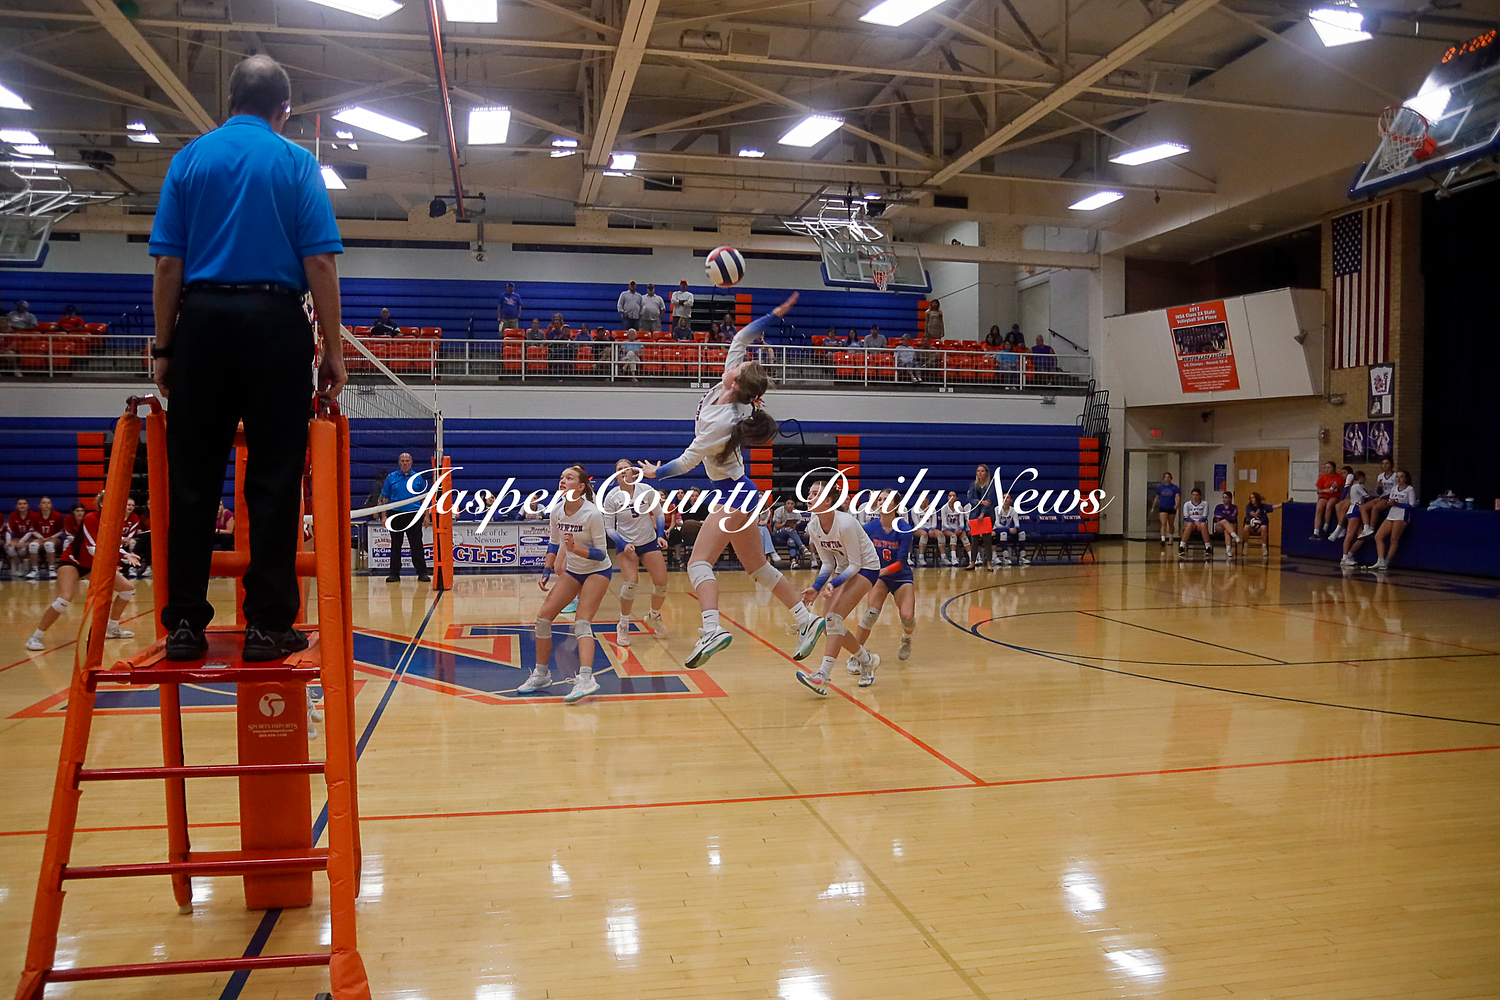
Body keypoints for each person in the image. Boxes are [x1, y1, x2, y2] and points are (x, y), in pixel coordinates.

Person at [149, 54, 346, 663]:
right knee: (275, 477)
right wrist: (333, 351)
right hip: (275, 323)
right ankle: (267, 625)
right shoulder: (297, 163)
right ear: (284, 110)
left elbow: (168, 264)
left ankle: (184, 624)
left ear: (229, 102)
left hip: (202, 321)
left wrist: (165, 346)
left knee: (192, 479)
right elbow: (320, 263)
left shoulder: (189, 160)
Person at [638, 292, 825, 670]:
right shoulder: (731, 388)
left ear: (736, 383)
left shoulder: (721, 423)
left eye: (741, 367)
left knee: (697, 563)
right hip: (742, 493)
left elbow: (687, 462)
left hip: (734, 494)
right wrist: (774, 313)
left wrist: (655, 474)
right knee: (758, 569)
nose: (738, 362)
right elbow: (741, 338)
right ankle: (807, 620)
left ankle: (712, 629)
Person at [517, 465, 612, 703]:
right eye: (561, 477)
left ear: (580, 487)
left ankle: (587, 678)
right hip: (574, 571)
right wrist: (547, 569)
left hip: (598, 570)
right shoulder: (557, 511)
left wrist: (575, 549)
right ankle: (541, 674)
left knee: (582, 622)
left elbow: (601, 553)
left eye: (569, 478)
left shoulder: (592, 513)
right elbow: (553, 542)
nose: (563, 480)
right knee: (543, 618)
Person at [795, 479, 883, 693]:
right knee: (829, 624)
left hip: (866, 568)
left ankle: (823, 676)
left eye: (815, 493)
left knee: (833, 619)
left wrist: (833, 583)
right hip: (845, 568)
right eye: (809, 493)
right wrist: (817, 587)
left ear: (828, 501)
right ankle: (867, 660)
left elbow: (856, 564)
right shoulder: (813, 525)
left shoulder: (846, 524)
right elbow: (827, 563)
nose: (809, 497)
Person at [25, 494, 138, 651]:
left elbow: (114, 546)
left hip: (93, 565)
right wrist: (121, 557)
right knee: (64, 599)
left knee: (128, 589)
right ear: (101, 504)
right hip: (73, 562)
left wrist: (125, 555)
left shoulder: (116, 522)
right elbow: (92, 548)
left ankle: (112, 628)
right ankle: (35, 637)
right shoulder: (91, 518)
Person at [602, 459, 669, 647]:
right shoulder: (611, 497)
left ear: (634, 472)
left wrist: (660, 535)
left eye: (627, 469)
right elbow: (609, 527)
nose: (624, 472)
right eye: (620, 470)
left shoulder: (646, 490)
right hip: (626, 544)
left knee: (661, 584)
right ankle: (623, 624)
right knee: (631, 584)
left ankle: (654, 616)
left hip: (648, 541)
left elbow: (659, 514)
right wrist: (623, 543)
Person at [847, 490, 918, 668]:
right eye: (879, 499)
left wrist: (880, 571)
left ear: (896, 506)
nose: (881, 502)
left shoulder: (904, 529)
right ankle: (856, 655)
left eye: (886, 500)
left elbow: (900, 562)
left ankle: (907, 637)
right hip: (880, 578)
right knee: (870, 614)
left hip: (900, 577)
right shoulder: (869, 528)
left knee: (907, 617)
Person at [380, 453, 430, 583]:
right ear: (399, 463)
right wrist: (384, 516)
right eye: (402, 460)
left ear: (411, 462)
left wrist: (427, 515)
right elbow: (384, 497)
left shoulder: (418, 477)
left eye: (407, 460)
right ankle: (394, 574)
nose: (405, 463)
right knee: (396, 545)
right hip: (395, 514)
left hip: (414, 514)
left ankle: (422, 573)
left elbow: (424, 498)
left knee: (417, 544)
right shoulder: (391, 477)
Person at [1372, 470, 1417, 572]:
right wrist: (1390, 502)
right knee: (1378, 536)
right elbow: (1390, 500)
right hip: (1392, 514)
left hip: (1402, 515)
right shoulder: (1394, 488)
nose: (1398, 479)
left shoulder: (1409, 489)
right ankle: (1380, 559)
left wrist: (1397, 504)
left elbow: (1412, 505)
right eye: (1397, 477)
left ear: (1406, 478)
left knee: (1394, 539)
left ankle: (1387, 561)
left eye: (1401, 477)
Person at [966, 464, 998, 570]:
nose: (980, 473)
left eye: (982, 471)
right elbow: (970, 499)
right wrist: (980, 502)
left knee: (987, 540)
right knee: (974, 541)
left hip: (987, 515)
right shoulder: (973, 485)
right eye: (978, 471)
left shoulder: (991, 485)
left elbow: (989, 502)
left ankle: (989, 563)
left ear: (986, 473)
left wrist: (982, 514)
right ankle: (972, 562)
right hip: (975, 514)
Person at [1358, 457, 1398, 538]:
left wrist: (1387, 497)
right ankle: (1366, 528)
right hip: (1382, 496)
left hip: (1391, 497)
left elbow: (1397, 490)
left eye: (1387, 463)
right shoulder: (1380, 476)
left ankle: (1372, 528)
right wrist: (1379, 487)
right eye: (1383, 464)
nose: (1385, 465)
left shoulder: (1395, 476)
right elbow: (1379, 492)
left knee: (1375, 508)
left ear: (1391, 465)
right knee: (1363, 507)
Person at [1339, 471, 1373, 566]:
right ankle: (1344, 557)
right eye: (1364, 478)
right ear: (1361, 478)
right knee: (1350, 535)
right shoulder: (1357, 486)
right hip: (1355, 510)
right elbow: (1367, 496)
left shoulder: (1355, 486)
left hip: (1354, 510)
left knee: (1361, 536)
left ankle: (1350, 554)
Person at [1242, 492, 1283, 560]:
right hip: (1251, 527)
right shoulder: (1248, 507)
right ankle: (1245, 546)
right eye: (1250, 498)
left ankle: (1264, 546)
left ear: (1257, 498)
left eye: (1253, 498)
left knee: (1264, 528)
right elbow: (1254, 514)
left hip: (1260, 527)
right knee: (1246, 527)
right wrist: (1259, 510)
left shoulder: (1263, 506)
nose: (1251, 499)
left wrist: (1284, 503)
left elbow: (1274, 506)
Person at [32, 496, 66, 580]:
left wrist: (51, 537)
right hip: (41, 538)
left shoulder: (57, 515)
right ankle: (34, 569)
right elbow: (33, 530)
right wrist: (41, 537)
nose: (46, 505)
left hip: (54, 538)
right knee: (33, 545)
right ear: (39, 505)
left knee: (49, 544)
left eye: (48, 503)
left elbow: (61, 530)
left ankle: (52, 569)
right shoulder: (35, 515)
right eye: (44, 503)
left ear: (51, 505)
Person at [6, 498, 40, 579]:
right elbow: (9, 529)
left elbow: (31, 530)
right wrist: (8, 541)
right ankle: (19, 564)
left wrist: (22, 541)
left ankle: (25, 567)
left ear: (28, 506)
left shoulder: (33, 515)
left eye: (24, 504)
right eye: (20, 504)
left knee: (22, 548)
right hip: (18, 537)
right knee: (9, 547)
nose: (22, 506)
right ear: (16, 506)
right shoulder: (13, 515)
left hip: (31, 538)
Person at [938, 490, 972, 567]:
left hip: (957, 528)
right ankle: (953, 558)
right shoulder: (944, 508)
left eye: (953, 496)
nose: (951, 497)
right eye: (949, 496)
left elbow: (961, 522)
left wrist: (960, 528)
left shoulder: (959, 507)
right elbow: (944, 523)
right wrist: (953, 530)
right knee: (953, 536)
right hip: (947, 529)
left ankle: (971, 558)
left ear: (956, 498)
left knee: (964, 537)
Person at [771, 497, 809, 565]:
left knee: (791, 540)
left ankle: (793, 561)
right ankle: (803, 547)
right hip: (778, 533)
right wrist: (784, 524)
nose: (790, 505)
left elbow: (795, 526)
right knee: (788, 530)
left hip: (790, 533)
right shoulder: (779, 511)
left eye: (792, 504)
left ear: (794, 505)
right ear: (785, 504)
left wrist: (793, 525)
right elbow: (776, 526)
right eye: (788, 503)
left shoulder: (796, 513)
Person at [995, 491, 1028, 566]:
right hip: (998, 529)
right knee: (1003, 534)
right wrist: (1008, 529)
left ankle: (1022, 557)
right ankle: (1006, 557)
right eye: (1003, 497)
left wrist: (1015, 529)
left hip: (1009, 529)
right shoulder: (997, 509)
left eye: (1007, 498)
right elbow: (997, 524)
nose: (1005, 499)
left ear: (1011, 500)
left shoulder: (1013, 510)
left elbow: (1017, 524)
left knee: (1022, 533)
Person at [1311, 461, 1342, 539]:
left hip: (1335, 496)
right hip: (1325, 495)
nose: (1327, 469)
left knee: (1329, 505)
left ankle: (1325, 527)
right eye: (1326, 468)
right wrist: (1325, 491)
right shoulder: (1322, 477)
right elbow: (1318, 491)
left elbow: (1343, 489)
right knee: (1319, 508)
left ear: (1334, 468)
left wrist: (1338, 486)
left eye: (1329, 468)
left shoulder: (1339, 477)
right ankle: (1316, 531)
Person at [1178, 488, 1211, 558]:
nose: (1195, 497)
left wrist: (1198, 522)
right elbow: (1186, 517)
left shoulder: (1205, 504)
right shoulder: (1187, 504)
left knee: (1203, 525)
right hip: (1190, 521)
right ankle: (1181, 547)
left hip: (1200, 522)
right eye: (1193, 495)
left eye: (1196, 495)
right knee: (1189, 525)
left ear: (1200, 496)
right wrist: (1195, 522)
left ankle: (1207, 547)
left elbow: (1204, 516)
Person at [1152, 472, 1181, 544]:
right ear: (1163, 478)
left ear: (1171, 478)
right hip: (1163, 507)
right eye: (1166, 477)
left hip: (1171, 507)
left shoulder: (1174, 487)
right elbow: (1156, 497)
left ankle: (1170, 538)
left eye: (1168, 477)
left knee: (1171, 523)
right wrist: (1153, 507)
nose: (1167, 479)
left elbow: (1177, 496)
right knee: (1163, 523)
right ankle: (1163, 539)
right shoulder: (1160, 488)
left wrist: (1177, 504)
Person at [1213, 490, 1241, 561]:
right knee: (1225, 521)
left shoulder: (1234, 507)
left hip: (1230, 525)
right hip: (1219, 525)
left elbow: (1233, 517)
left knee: (1226, 530)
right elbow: (1217, 516)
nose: (1224, 499)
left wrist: (1223, 516)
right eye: (1223, 497)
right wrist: (1226, 517)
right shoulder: (1218, 507)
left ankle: (1228, 550)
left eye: (1226, 497)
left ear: (1230, 499)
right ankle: (1234, 536)